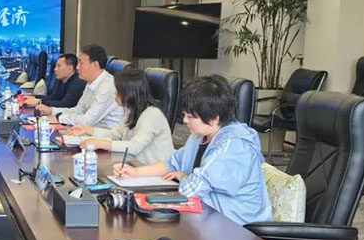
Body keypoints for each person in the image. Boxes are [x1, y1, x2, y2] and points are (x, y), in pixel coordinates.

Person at [115, 74, 272, 225]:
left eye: (190, 116)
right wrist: (135, 172)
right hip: (207, 216)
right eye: (185, 114)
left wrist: (183, 176)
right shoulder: (199, 137)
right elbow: (172, 163)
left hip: (235, 225)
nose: (184, 120)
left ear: (214, 118)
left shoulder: (234, 146)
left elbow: (192, 189)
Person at [66, 67, 174, 165]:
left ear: (129, 93)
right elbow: (116, 134)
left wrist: (101, 143)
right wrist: (86, 130)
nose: (115, 94)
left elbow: (135, 146)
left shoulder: (153, 115)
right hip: (134, 166)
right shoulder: (132, 110)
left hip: (155, 174)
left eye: (118, 91)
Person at [34, 44, 124, 128]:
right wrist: (51, 110)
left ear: (95, 65)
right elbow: (79, 110)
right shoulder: (91, 82)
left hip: (104, 136)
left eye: (81, 63)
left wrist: (59, 118)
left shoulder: (107, 86)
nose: (77, 67)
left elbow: (87, 121)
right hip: (88, 132)